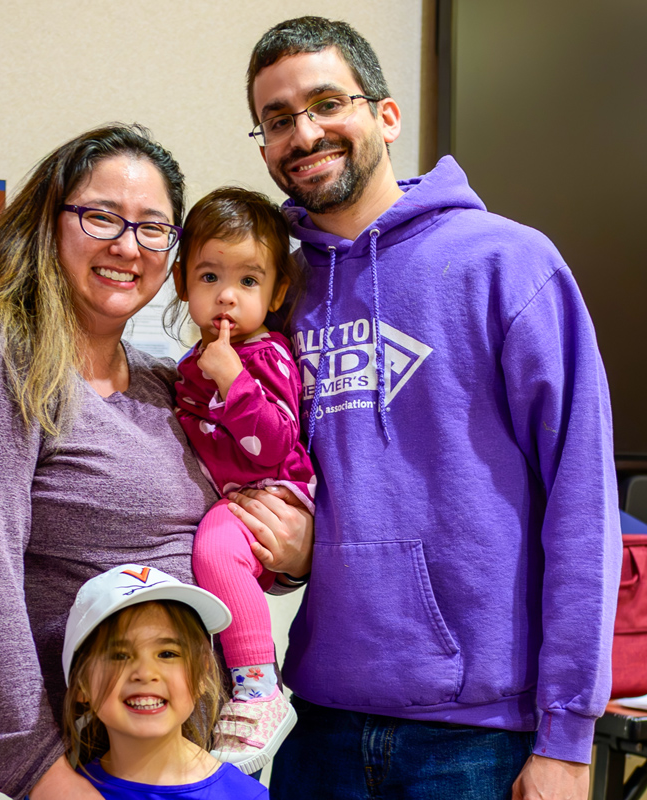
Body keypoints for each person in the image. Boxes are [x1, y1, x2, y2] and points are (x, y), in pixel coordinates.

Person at [0, 123, 312, 800]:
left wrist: (295, 555)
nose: (127, 246)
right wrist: (39, 772)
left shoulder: (169, 381)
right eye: (102, 216)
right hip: (91, 770)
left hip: (206, 760)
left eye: (152, 228)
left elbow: (224, 535)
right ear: (49, 222)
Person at [243, 16, 622, 800]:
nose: (303, 133)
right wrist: (285, 555)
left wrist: (568, 738)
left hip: (481, 739)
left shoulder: (508, 263)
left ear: (386, 115)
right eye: (278, 120)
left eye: (326, 103)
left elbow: (583, 507)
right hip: (317, 723)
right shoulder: (278, 290)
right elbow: (274, 475)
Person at [167, 187, 313, 773]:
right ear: (182, 283)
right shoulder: (190, 364)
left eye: (248, 281)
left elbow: (274, 445)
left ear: (276, 293)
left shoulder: (265, 356)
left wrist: (233, 382)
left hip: (273, 491)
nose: (227, 295)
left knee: (215, 549)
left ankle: (259, 688)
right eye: (209, 276)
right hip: (239, 496)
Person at [61, 563, 268, 799]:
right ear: (81, 685)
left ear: (203, 674)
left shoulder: (245, 795)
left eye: (167, 654)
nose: (145, 673)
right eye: (119, 656)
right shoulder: (58, 793)